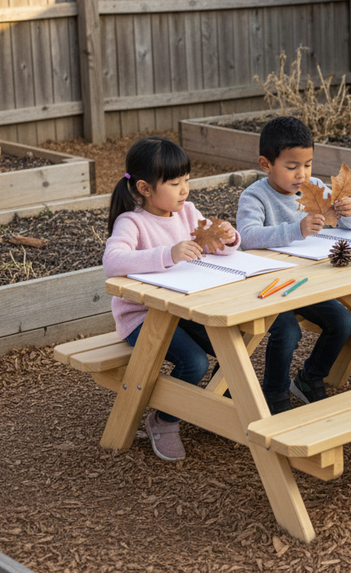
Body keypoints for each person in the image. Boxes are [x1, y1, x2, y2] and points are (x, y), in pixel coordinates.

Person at [103, 136, 240, 461]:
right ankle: (163, 419)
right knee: (195, 362)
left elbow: (213, 243)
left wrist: (230, 237)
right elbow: (113, 261)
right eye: (175, 183)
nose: (185, 190)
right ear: (145, 188)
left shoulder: (188, 213)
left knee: (234, 341)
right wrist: (168, 253)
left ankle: (226, 407)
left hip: (187, 308)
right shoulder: (132, 222)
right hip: (142, 317)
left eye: (188, 181)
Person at [237, 116, 351, 412]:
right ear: (266, 164)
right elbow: (247, 236)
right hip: (267, 287)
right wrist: (296, 230)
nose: (301, 174)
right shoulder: (255, 196)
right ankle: (274, 393)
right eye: (291, 167)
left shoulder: (315, 187)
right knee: (288, 331)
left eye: (307, 164)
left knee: (343, 321)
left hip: (305, 282)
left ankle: (309, 378)